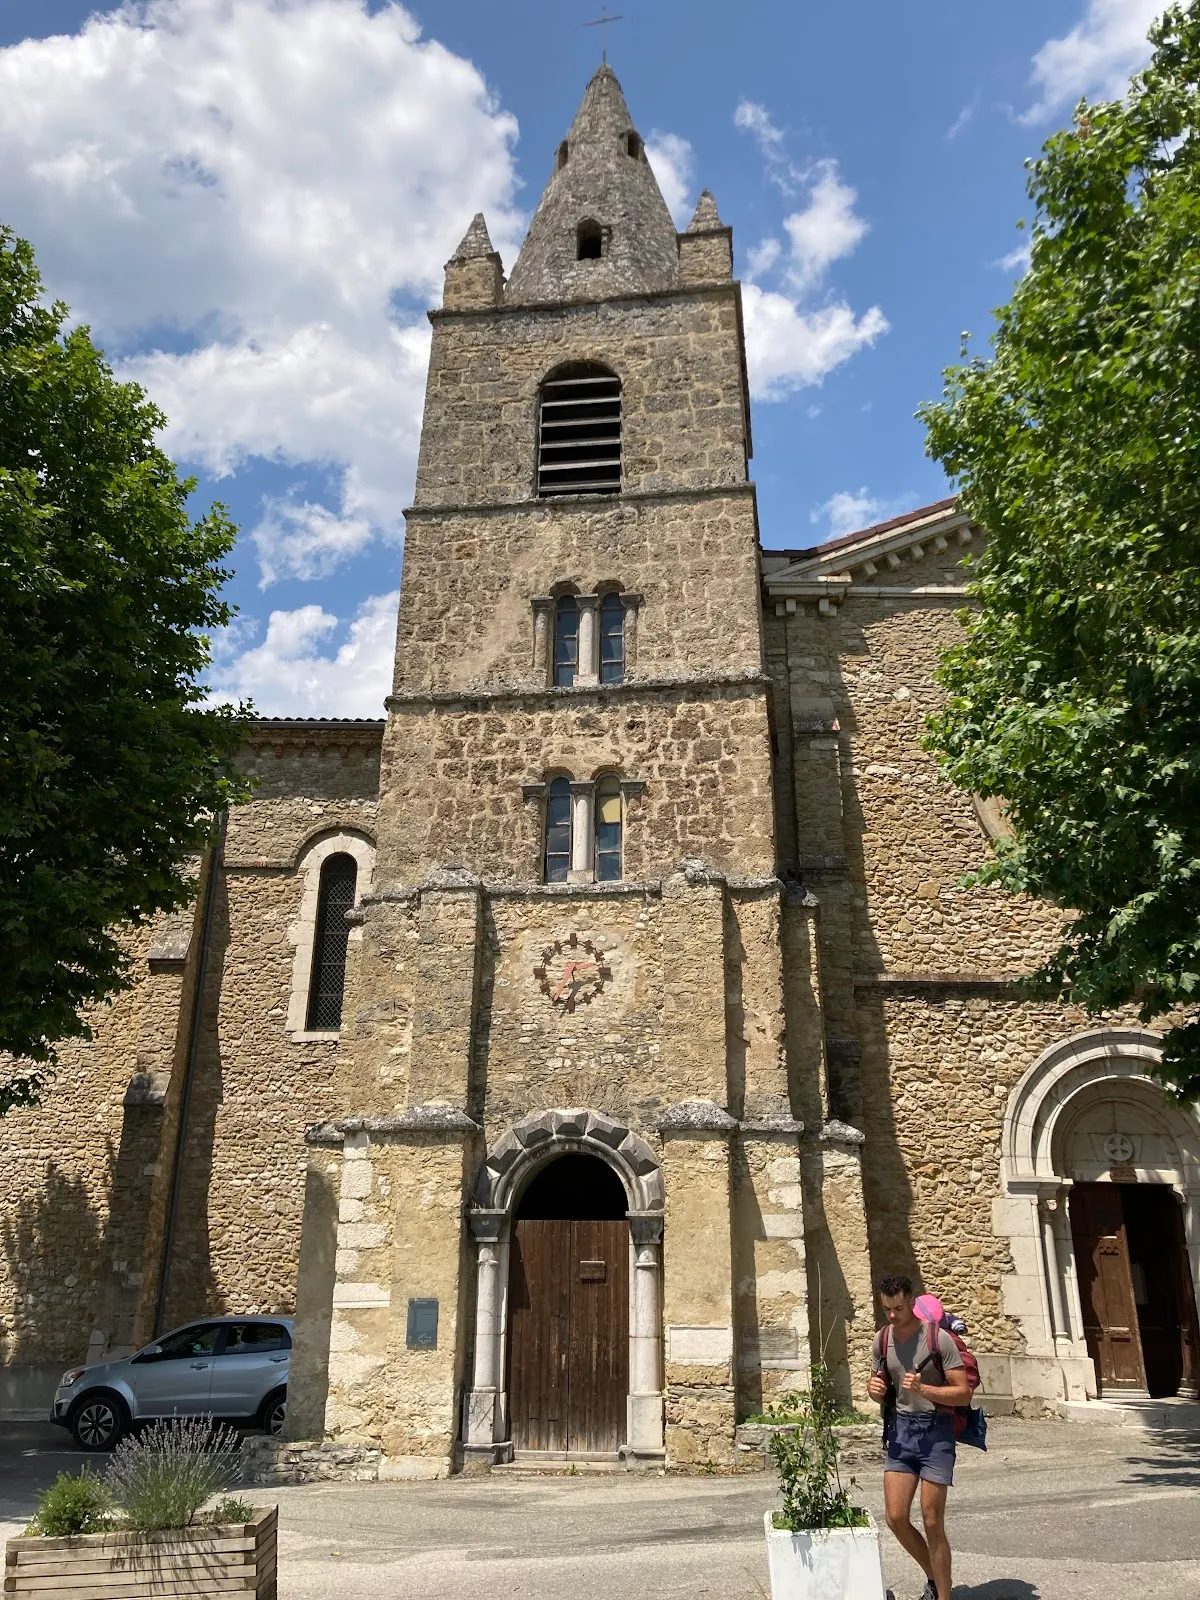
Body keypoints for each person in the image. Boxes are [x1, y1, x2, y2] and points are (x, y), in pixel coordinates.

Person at [867, 1273, 972, 1600]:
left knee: (931, 1521)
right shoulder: (882, 1339)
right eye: (888, 1310)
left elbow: (963, 1394)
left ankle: (943, 1596)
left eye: (898, 1308)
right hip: (900, 1433)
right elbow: (876, 1385)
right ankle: (936, 1576)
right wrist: (873, 1390)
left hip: (935, 1433)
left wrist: (924, 1388)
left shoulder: (938, 1340)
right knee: (896, 1517)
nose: (894, 1315)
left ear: (911, 1302)